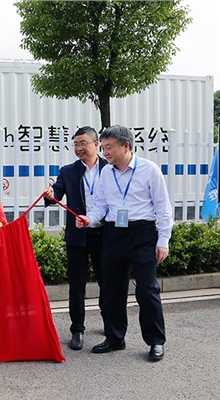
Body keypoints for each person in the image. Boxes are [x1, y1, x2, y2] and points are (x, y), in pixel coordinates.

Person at [75, 125, 173, 362]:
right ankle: (115, 337)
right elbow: (101, 205)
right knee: (112, 289)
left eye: (109, 147)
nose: (105, 152)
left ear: (126, 146)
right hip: (114, 234)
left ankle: (155, 341)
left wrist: (163, 241)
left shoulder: (149, 170)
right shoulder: (106, 173)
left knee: (147, 290)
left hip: (142, 234)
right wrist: (90, 219)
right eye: (103, 147)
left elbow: (163, 208)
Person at [45, 126, 107, 350]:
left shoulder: (110, 168)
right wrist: (51, 195)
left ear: (96, 144)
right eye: (76, 144)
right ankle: (77, 330)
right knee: (77, 286)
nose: (79, 148)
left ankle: (110, 326)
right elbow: (57, 193)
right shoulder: (68, 171)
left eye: (83, 143)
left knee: (107, 283)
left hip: (105, 235)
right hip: (78, 236)